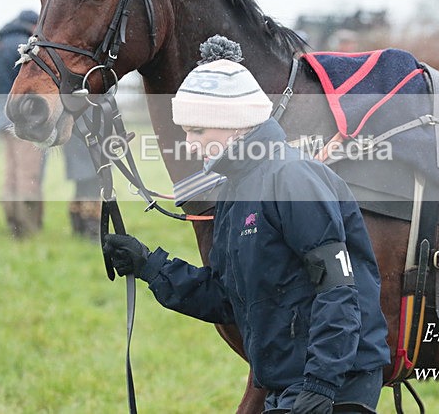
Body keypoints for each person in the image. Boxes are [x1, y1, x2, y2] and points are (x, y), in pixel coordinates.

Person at [102, 35, 390, 413]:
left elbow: (338, 290)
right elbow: (226, 297)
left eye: (198, 131)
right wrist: (148, 265)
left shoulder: (292, 178)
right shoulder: (235, 191)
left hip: (336, 382)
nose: (189, 144)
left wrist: (321, 384)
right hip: (288, 379)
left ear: (235, 125)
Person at [0, 10, 45, 238]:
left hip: (2, 119)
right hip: (24, 122)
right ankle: (26, 229)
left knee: (11, 174)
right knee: (28, 175)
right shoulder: (25, 46)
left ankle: (12, 222)